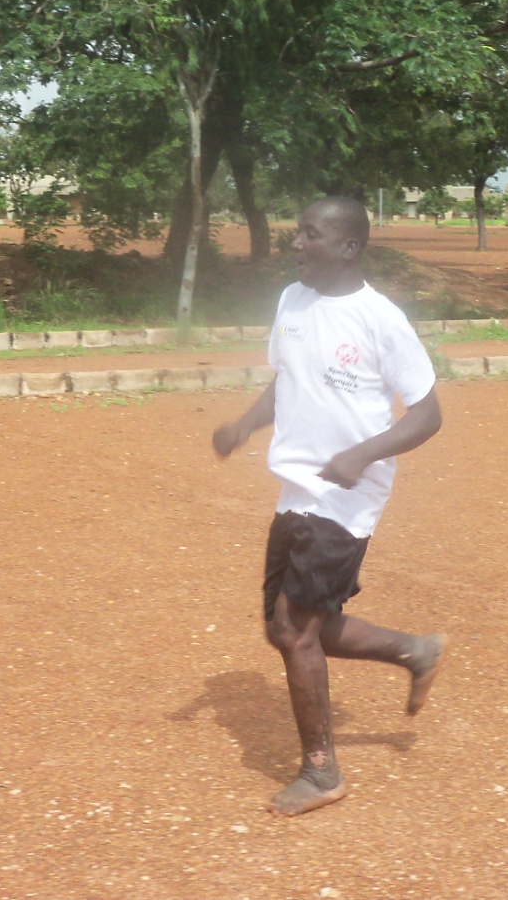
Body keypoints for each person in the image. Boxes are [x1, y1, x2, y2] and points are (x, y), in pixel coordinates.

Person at [212, 196, 447, 817]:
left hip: (348, 492)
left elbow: (427, 414)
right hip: (298, 485)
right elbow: (285, 380)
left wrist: (362, 455)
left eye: (310, 235)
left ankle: (321, 773)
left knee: (295, 628)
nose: (296, 244)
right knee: (283, 626)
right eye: (296, 233)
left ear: (348, 247)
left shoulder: (381, 320)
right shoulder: (291, 302)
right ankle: (413, 649)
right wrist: (244, 426)